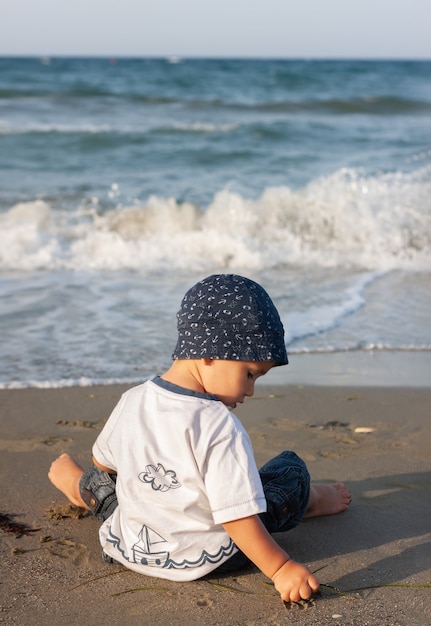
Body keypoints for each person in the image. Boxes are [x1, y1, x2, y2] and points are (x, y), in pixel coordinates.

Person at [49, 273, 351, 604]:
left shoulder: (132, 400)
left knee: (108, 485)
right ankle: (312, 501)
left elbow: (103, 464)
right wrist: (280, 568)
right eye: (249, 374)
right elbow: (237, 516)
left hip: (131, 546)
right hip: (208, 558)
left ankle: (81, 489)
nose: (250, 390)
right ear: (210, 351)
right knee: (289, 473)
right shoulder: (220, 426)